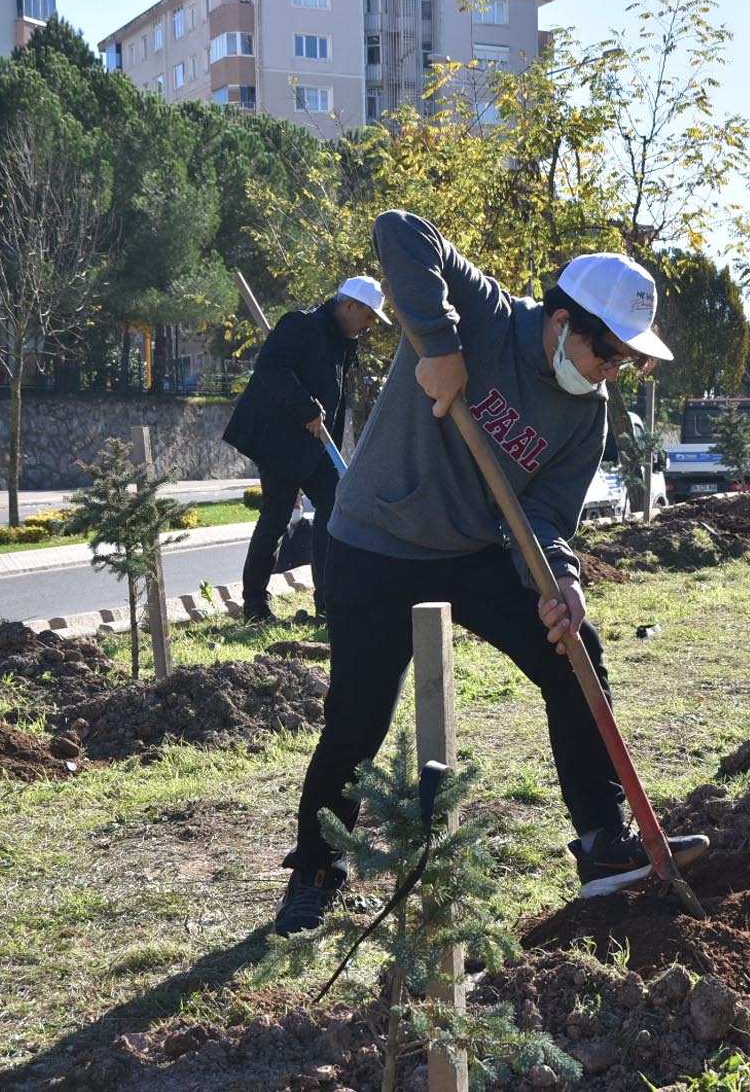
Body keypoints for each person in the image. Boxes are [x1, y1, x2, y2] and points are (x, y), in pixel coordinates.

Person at [273, 210, 708, 936]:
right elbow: (399, 232)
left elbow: (542, 515)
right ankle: (318, 870)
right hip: (373, 539)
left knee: (575, 654)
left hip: (470, 553)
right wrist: (440, 347)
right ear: (563, 320)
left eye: (626, 360)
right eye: (607, 351)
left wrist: (561, 580)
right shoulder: (487, 314)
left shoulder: (585, 413)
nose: (611, 370)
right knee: (358, 718)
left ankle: (602, 845)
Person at [223, 277, 389, 624]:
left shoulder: (343, 340)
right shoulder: (301, 324)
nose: (371, 324)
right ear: (350, 306)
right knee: (277, 517)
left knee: (334, 505)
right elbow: (271, 367)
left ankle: (329, 601)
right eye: (370, 316)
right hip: (280, 441)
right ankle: (255, 605)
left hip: (315, 444)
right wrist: (306, 409)